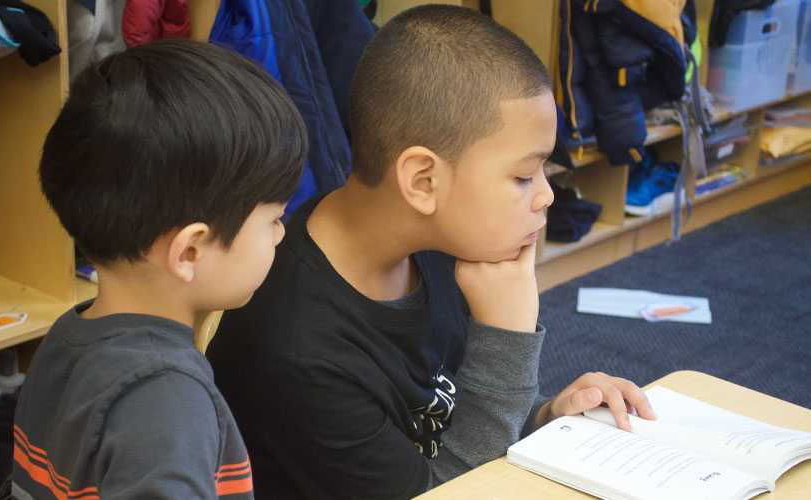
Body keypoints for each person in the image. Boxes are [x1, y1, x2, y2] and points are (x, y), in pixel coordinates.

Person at [207, 5, 656, 500]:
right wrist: (505, 339)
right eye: (524, 175)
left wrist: (547, 415)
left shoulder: (437, 241)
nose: (547, 196)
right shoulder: (299, 352)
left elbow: (463, 414)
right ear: (423, 181)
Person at [11, 39, 307, 499]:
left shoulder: (70, 336)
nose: (280, 235)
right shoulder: (166, 402)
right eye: (274, 219)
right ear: (190, 251)